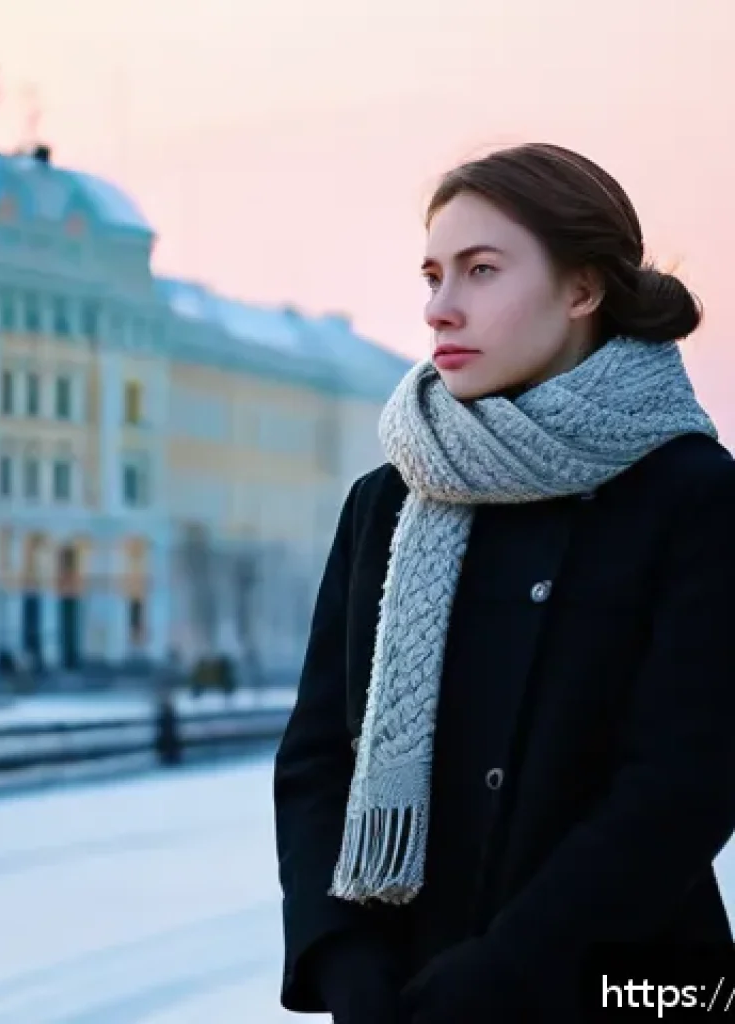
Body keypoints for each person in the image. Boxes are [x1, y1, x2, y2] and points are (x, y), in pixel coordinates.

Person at [273, 142, 735, 1023]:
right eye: (432, 275)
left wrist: (506, 973)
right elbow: (317, 757)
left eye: (480, 271)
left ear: (582, 288)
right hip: (403, 990)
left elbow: (682, 786)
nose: (439, 307)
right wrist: (344, 962)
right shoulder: (386, 500)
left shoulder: (693, 497)